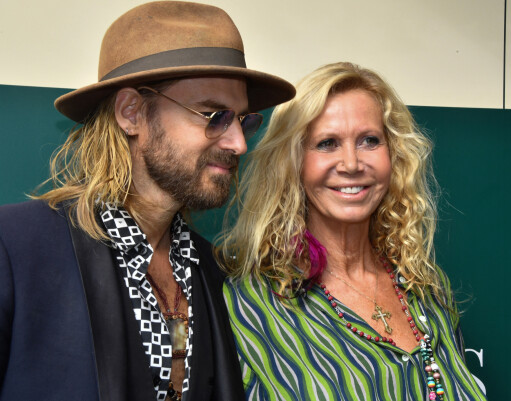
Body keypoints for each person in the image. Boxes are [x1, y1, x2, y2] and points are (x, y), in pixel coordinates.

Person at [0, 2, 294, 400]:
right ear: (132, 112)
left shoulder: (213, 270)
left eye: (243, 120)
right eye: (213, 116)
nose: (239, 143)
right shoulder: (15, 247)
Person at [219, 62, 486, 400]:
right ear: (293, 162)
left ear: (394, 155)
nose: (351, 164)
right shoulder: (247, 305)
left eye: (369, 141)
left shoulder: (429, 292)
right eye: (327, 143)